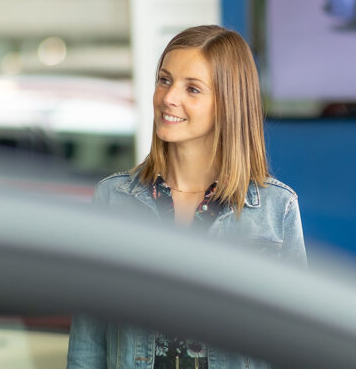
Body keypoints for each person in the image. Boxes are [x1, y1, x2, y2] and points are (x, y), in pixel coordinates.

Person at [66, 25, 307, 369]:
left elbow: (296, 345)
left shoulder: (275, 208)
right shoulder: (112, 198)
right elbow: (89, 340)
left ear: (229, 104)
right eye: (165, 80)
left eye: (192, 88)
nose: (168, 97)